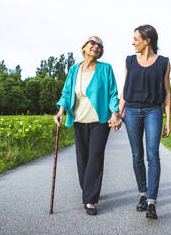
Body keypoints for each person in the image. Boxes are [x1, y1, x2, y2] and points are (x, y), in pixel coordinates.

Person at [54, 36, 121, 216]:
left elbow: (113, 93)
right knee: (82, 158)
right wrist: (61, 111)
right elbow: (67, 92)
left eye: (99, 45)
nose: (96, 46)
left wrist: (115, 113)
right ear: (84, 47)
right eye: (92, 43)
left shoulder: (105, 69)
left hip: (100, 121)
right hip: (79, 120)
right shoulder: (74, 69)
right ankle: (88, 188)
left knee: (95, 158)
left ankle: (90, 199)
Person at [119, 25, 171, 219]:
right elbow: (125, 89)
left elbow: (167, 93)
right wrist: (118, 113)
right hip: (132, 110)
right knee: (137, 155)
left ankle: (151, 202)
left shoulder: (164, 63)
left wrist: (168, 119)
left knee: (152, 155)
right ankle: (142, 194)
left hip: (153, 111)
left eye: (136, 39)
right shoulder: (130, 61)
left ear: (147, 40)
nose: (133, 42)